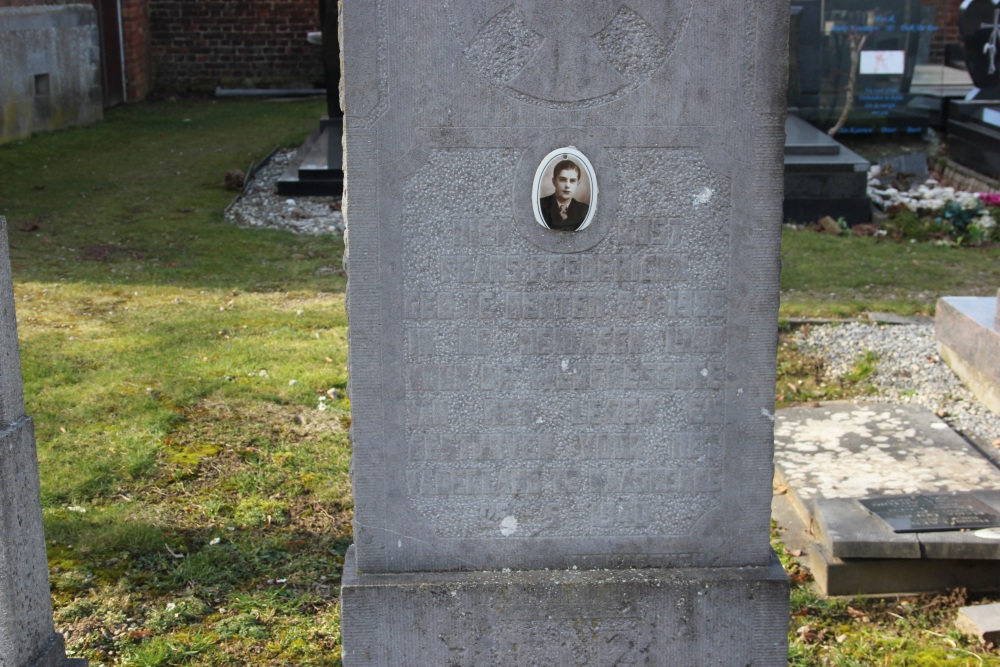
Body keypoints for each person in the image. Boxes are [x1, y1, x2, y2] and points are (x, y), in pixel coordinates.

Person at [539, 159, 589, 231]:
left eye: (572, 181)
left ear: (577, 184)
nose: (567, 186)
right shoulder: (541, 205)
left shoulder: (584, 210)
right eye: (562, 180)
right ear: (554, 182)